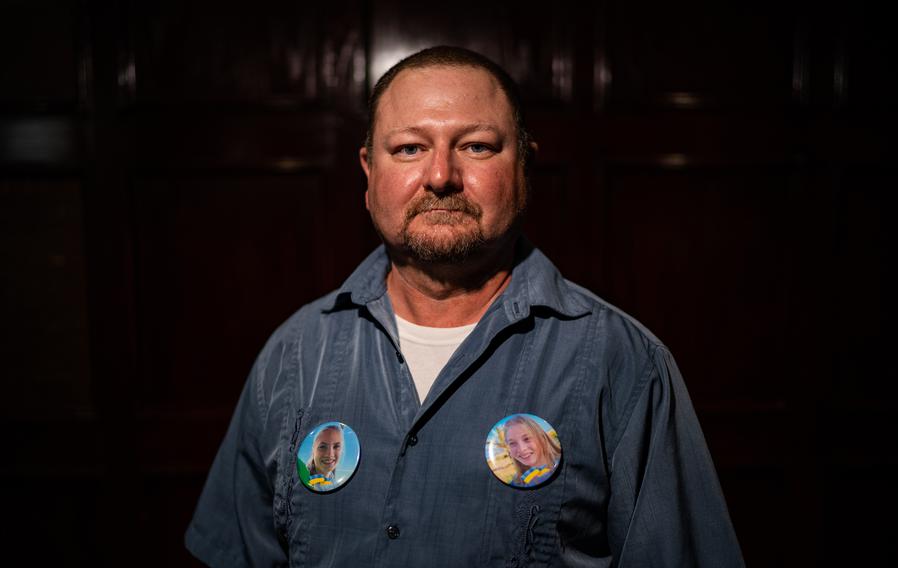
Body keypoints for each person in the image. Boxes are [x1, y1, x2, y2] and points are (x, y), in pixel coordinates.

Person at [186, 46, 744, 567]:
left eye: (477, 146)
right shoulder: (293, 356)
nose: (440, 177)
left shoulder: (623, 365)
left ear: (524, 168)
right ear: (368, 173)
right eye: (409, 148)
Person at [502, 415, 561, 488]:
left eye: (527, 439)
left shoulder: (565, 466)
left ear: (541, 437)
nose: (522, 449)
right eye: (512, 443)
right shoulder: (514, 484)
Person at [301, 424, 344, 491]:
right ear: (313, 450)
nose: (330, 454)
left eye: (336, 446)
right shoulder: (311, 484)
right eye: (322, 447)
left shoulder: (331, 478)